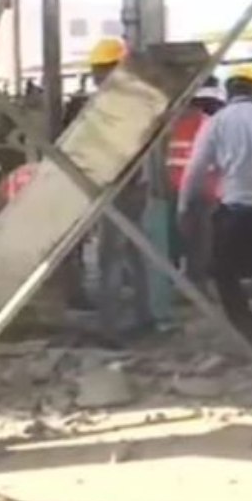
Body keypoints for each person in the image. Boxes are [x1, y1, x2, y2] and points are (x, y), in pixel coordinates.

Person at [179, 64, 252, 350]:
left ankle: (245, 329)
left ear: (230, 92)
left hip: (234, 209)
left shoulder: (216, 122)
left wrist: (184, 205)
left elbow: (196, 168)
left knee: (223, 272)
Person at [86, 38, 154, 344]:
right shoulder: (132, 102)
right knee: (128, 255)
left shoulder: (101, 105)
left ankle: (112, 325)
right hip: (127, 187)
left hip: (112, 187)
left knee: (111, 257)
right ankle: (138, 318)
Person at [167, 80, 225, 287]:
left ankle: (193, 283)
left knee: (196, 244)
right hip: (185, 191)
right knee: (191, 243)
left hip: (195, 192)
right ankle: (191, 283)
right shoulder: (205, 123)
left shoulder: (199, 124)